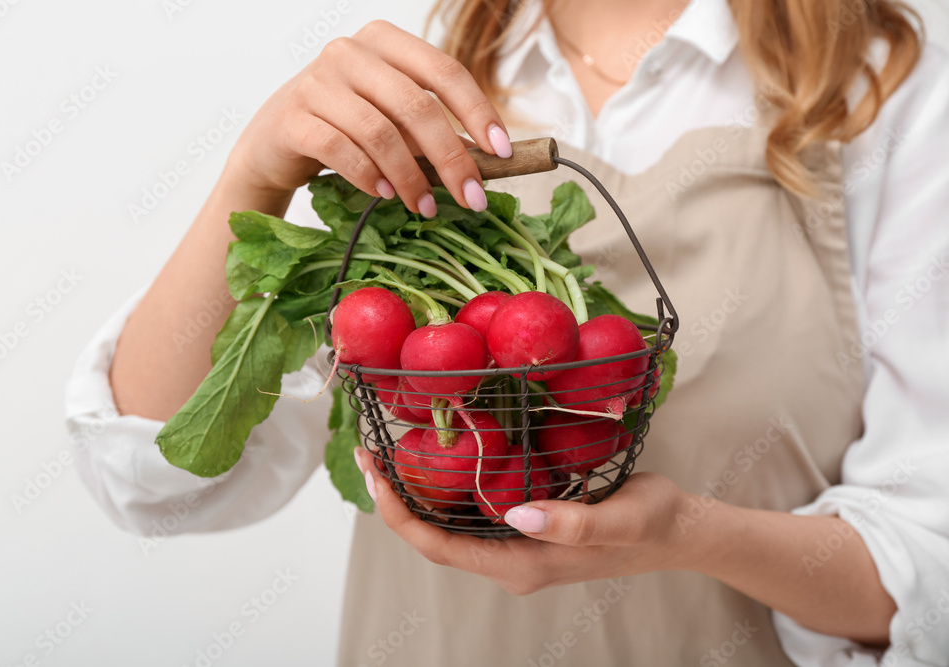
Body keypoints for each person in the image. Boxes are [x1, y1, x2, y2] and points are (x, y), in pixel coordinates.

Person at [67, 0, 949, 664]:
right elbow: (156, 484)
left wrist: (688, 533)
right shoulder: (423, 85)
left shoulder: (889, 95)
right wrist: (252, 178)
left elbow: (930, 572)